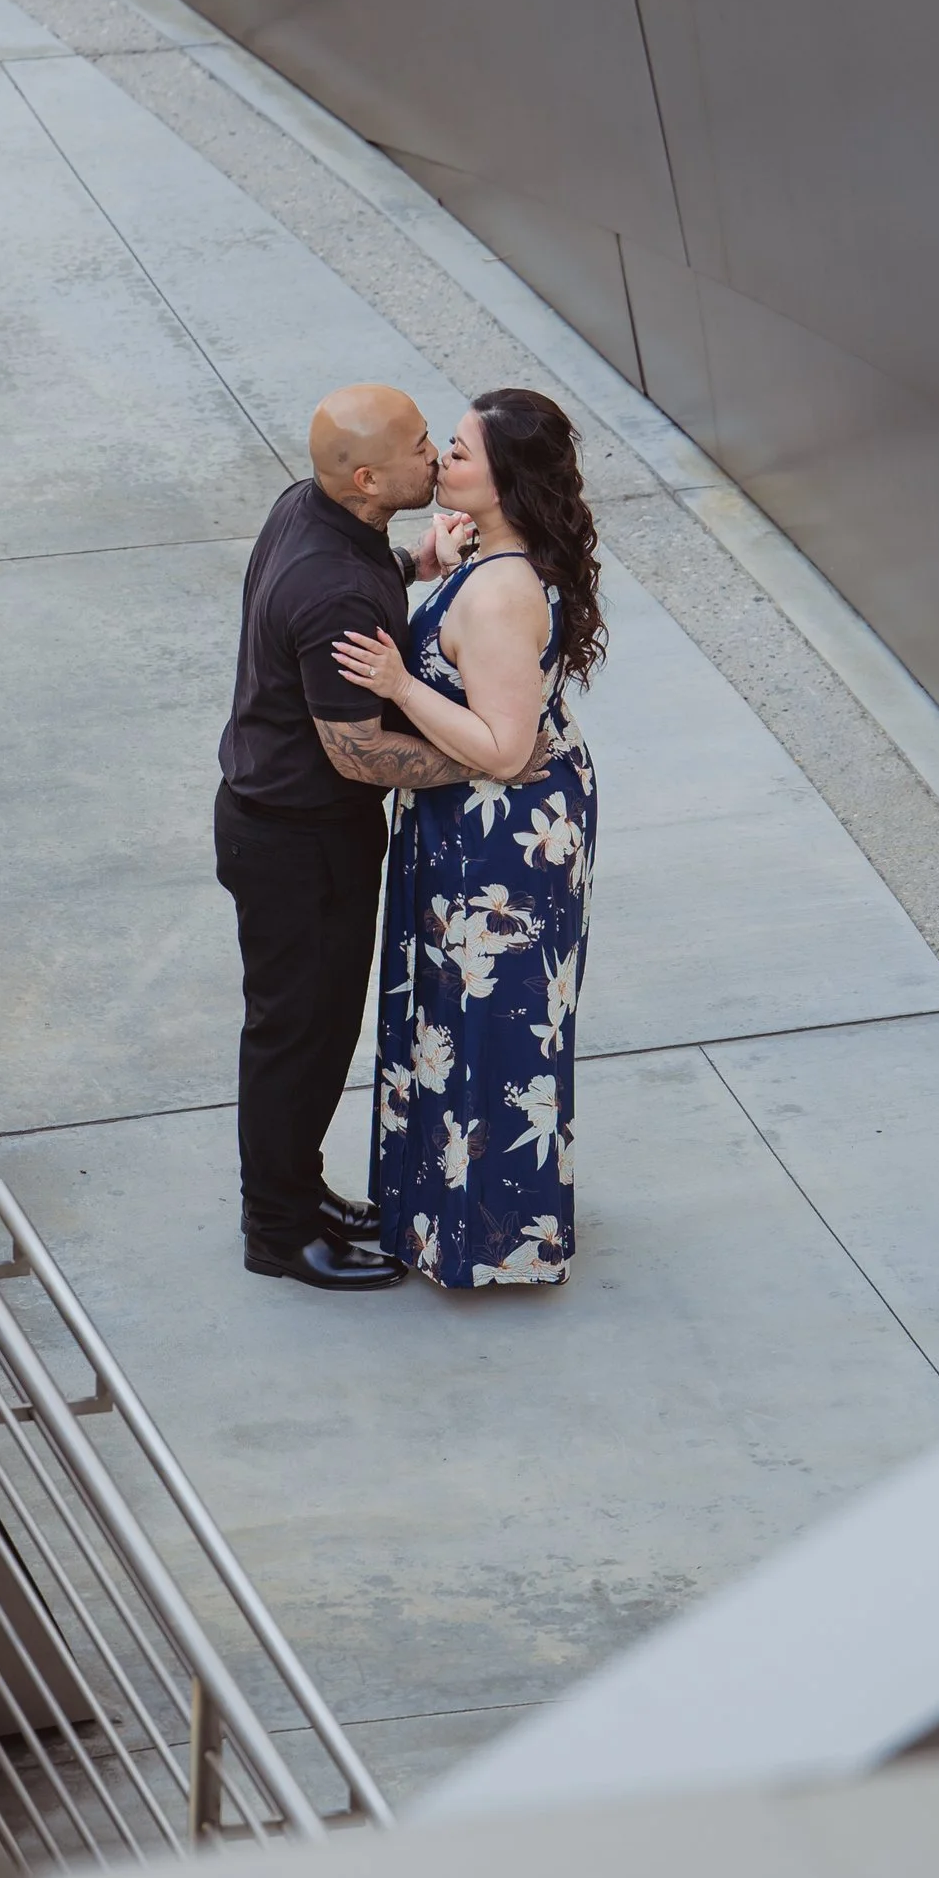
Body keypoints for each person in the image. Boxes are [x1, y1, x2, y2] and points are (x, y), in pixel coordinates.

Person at [333, 389, 603, 1290]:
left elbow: (504, 747)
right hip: (479, 829)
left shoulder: (499, 597)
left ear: (505, 480)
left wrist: (401, 686)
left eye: (456, 452)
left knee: (486, 1026)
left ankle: (486, 1242)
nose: (440, 461)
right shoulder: (491, 556)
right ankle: (442, 1217)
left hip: (501, 848)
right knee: (457, 1020)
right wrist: (427, 562)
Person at [214, 385, 472, 1289]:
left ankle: (297, 1188)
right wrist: (488, 760)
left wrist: (415, 564)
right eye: (419, 445)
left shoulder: (313, 512)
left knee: (307, 1032)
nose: (435, 455)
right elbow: (360, 754)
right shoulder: (333, 592)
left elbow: (354, 586)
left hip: (275, 822)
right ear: (368, 476)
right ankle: (277, 1233)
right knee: (302, 1038)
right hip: (298, 843)